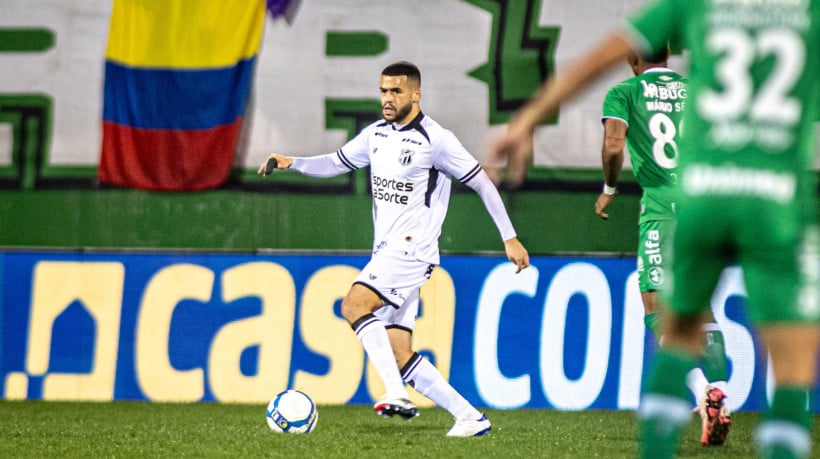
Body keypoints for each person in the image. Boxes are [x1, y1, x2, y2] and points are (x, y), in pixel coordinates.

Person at [487, 1, 819, 458]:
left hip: (690, 198)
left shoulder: (692, 10)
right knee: (793, 357)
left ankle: (691, 406)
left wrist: (529, 123)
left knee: (673, 320)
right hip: (780, 197)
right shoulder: (806, 16)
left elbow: (605, 112)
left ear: (636, 57)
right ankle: (725, 393)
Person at [259, 61, 530, 437]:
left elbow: (483, 182)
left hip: (411, 251)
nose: (388, 98)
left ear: (416, 94)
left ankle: (395, 394)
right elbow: (336, 162)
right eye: (384, 90)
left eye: (396, 91)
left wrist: (509, 236)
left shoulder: (436, 139)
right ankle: (470, 417)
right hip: (387, 252)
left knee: (354, 305)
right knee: (400, 352)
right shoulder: (376, 135)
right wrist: (293, 163)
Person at [597, 49, 731, 445]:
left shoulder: (624, 92)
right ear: (669, 54)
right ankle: (720, 391)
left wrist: (609, 187)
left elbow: (613, 146)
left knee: (655, 303)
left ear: (631, 57)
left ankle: (702, 391)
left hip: (662, 206)